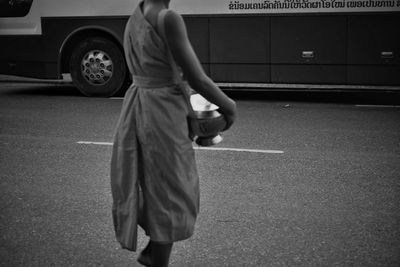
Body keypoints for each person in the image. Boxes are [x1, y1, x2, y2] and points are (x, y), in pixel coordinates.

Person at [110, 0, 237, 266]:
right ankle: (157, 258)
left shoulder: (138, 12)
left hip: (138, 105)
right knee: (173, 189)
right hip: (163, 113)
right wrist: (230, 107)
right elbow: (197, 78)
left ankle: (154, 251)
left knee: (152, 181)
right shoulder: (168, 18)